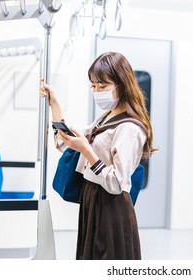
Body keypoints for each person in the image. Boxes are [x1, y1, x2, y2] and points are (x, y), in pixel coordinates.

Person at [40, 51, 156, 260]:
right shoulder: (106, 117)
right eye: (93, 86)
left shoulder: (130, 128)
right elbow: (66, 144)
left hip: (111, 206)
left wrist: (86, 150)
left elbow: (116, 182)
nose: (96, 91)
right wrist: (55, 104)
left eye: (102, 86)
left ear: (122, 84)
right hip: (92, 198)